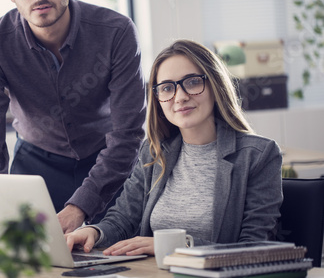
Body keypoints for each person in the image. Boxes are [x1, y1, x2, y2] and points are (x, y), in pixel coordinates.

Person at [0, 0, 146, 233]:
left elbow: (129, 133)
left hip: (110, 164)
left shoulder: (117, 32)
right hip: (36, 166)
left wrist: (80, 207)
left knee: (118, 259)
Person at [65, 39, 283, 256]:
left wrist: (176, 246)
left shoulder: (258, 156)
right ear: (158, 98)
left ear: (215, 85)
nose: (180, 97)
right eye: (167, 88)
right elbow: (123, 219)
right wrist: (94, 231)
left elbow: (255, 248)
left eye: (193, 82)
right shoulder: (154, 152)